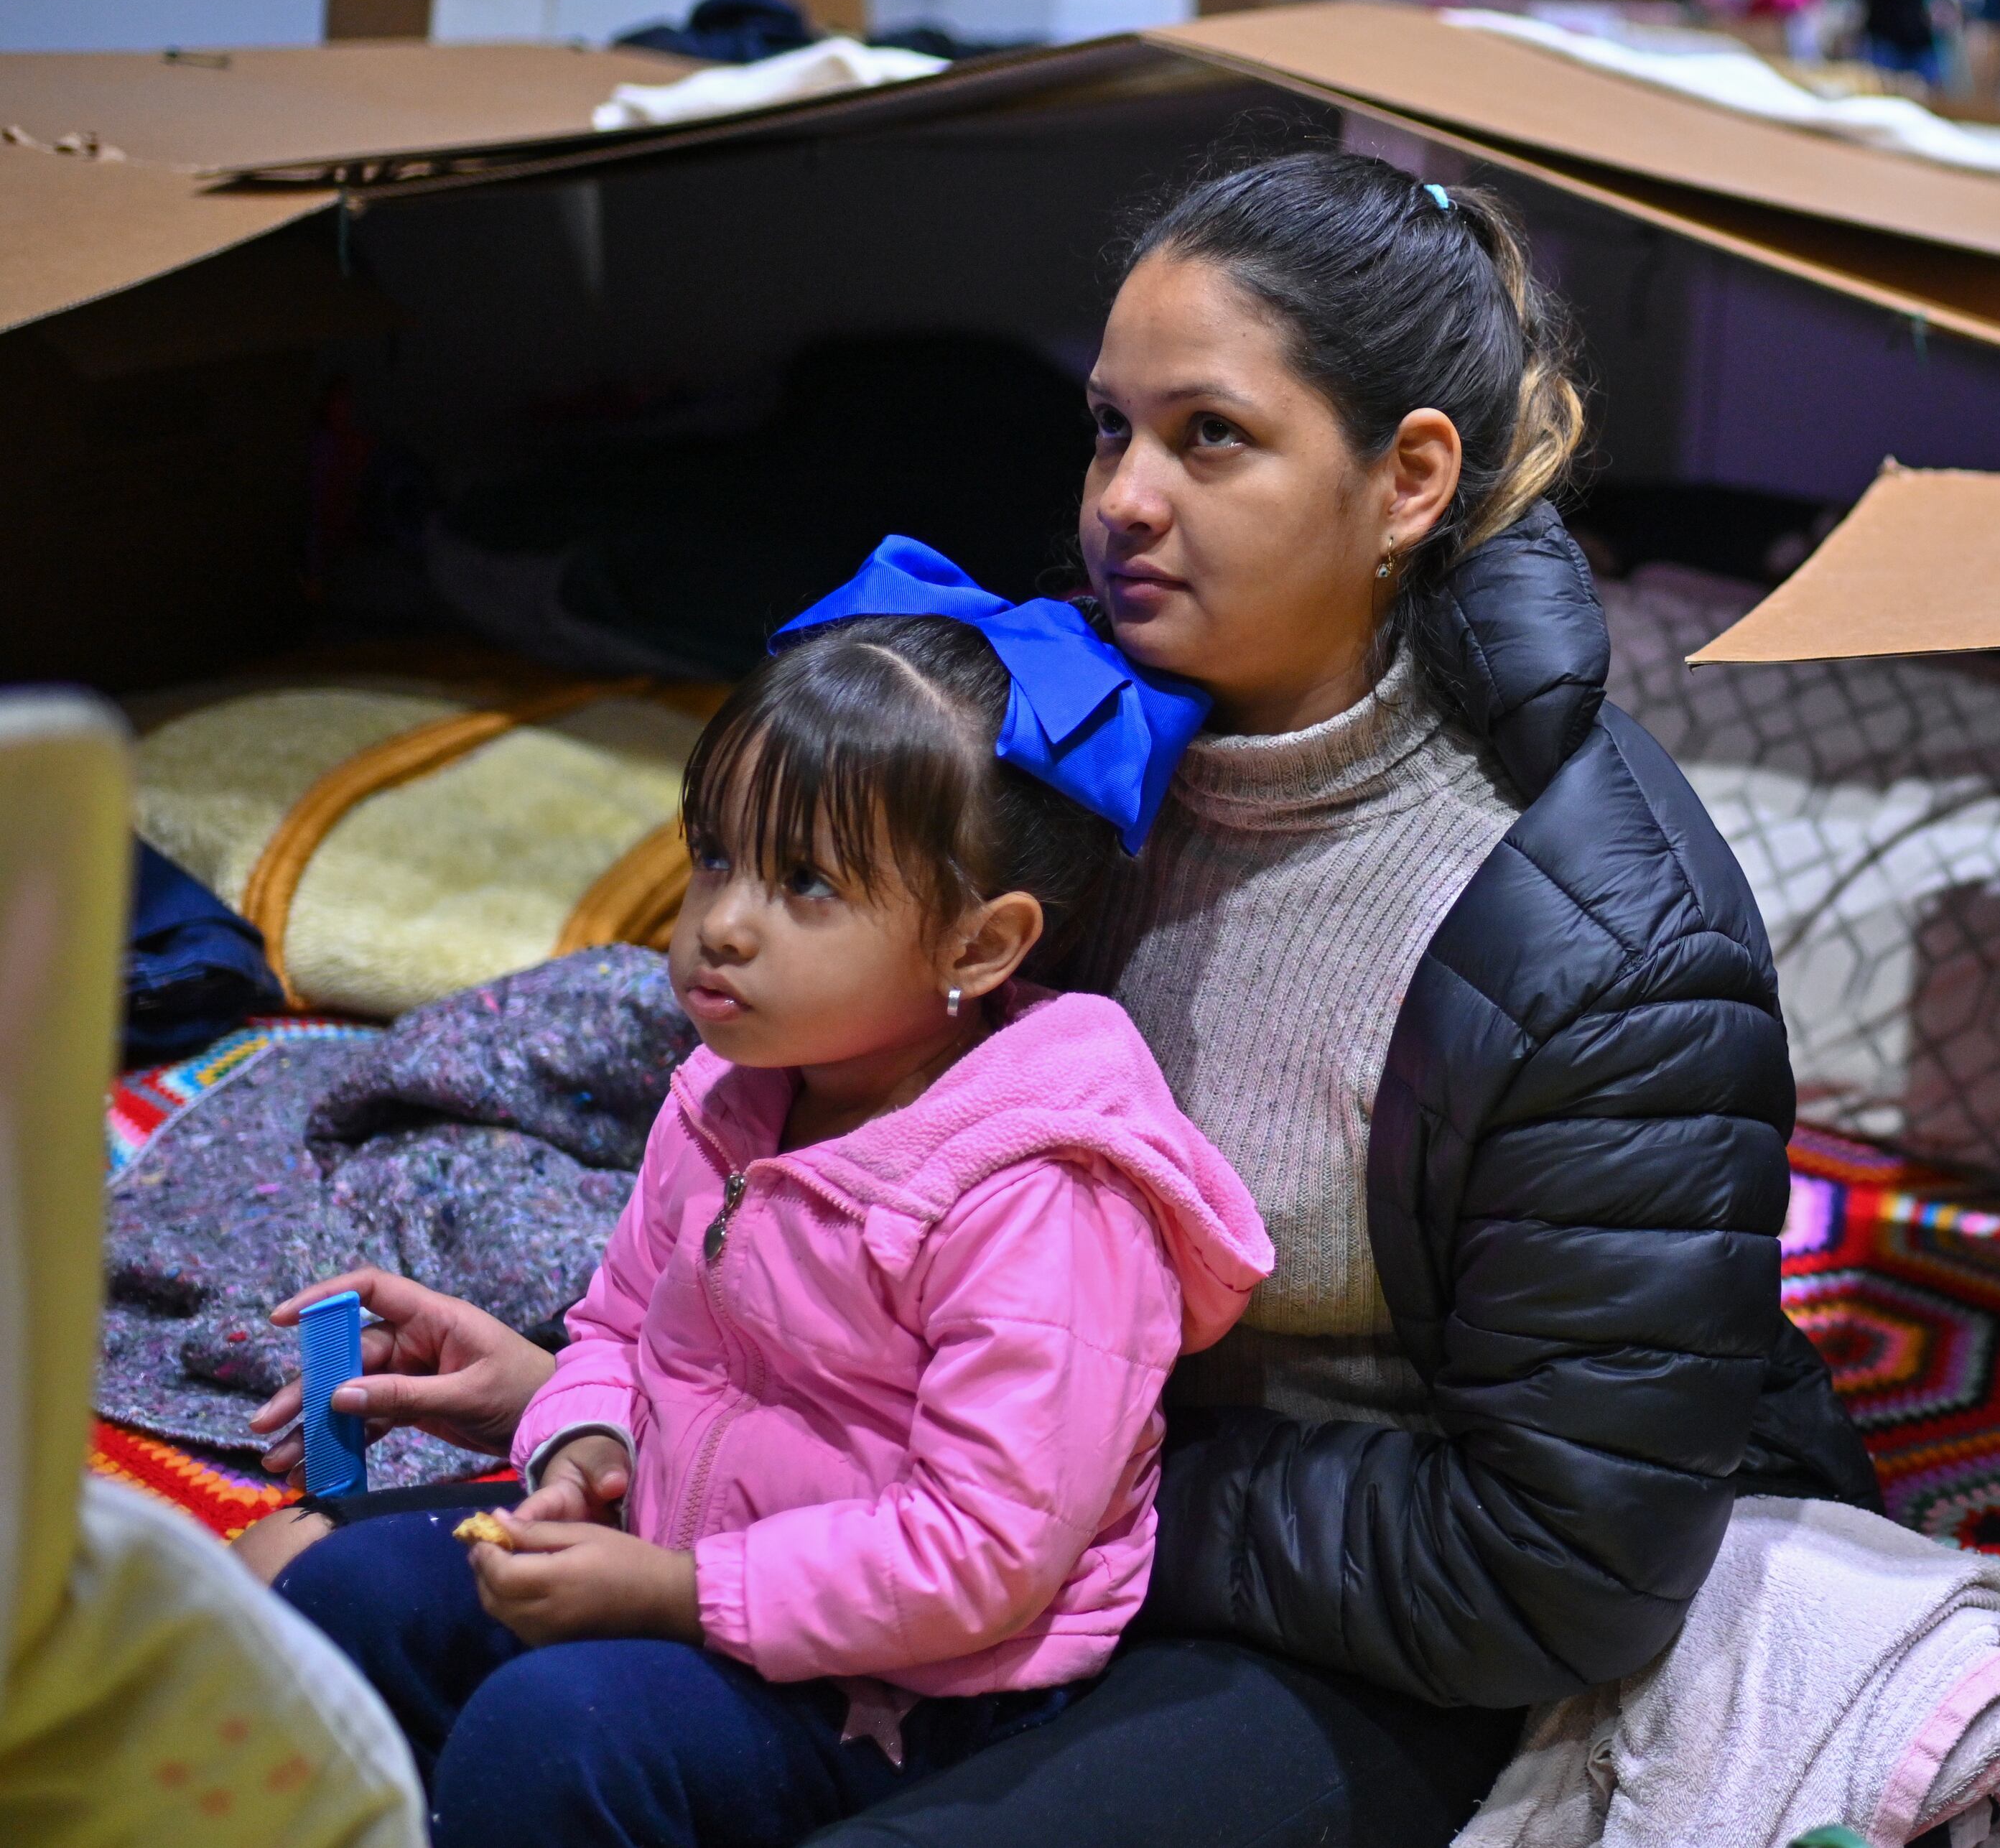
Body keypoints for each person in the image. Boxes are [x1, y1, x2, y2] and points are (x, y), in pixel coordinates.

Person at [259, 154, 1876, 1848]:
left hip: (1347, 1626)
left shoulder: (1599, 941)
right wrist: (619, 1396)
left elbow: (1559, 1564)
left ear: (1407, 479)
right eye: (1111, 427)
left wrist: (1037, 1490)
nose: (1125, 497)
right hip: (942, 1480)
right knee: (348, 1618)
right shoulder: (1070, 747)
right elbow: (833, 1131)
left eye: (1211, 436)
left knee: (703, 1777)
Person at [238, 571, 1273, 1848]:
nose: (720, 924)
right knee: (345, 1596)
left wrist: (677, 1593)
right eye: (716, 856)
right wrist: (582, 1455)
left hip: (910, 1689)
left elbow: (982, 1552)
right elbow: (620, 1329)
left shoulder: (1042, 1194)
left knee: (555, 1735)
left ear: (978, 946)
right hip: (679, 1560)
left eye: (806, 885)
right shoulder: (729, 1093)